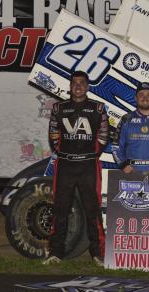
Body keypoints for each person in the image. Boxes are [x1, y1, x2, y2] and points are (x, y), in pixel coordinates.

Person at [43, 71, 108, 266]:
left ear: (88, 87)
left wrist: (90, 154)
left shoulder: (98, 108)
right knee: (60, 210)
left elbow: (104, 135)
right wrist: (66, 154)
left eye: (82, 83)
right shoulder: (58, 108)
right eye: (74, 83)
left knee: (93, 211)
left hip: (88, 165)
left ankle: (98, 254)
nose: (78, 86)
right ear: (70, 86)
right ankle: (55, 253)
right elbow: (53, 135)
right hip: (65, 165)